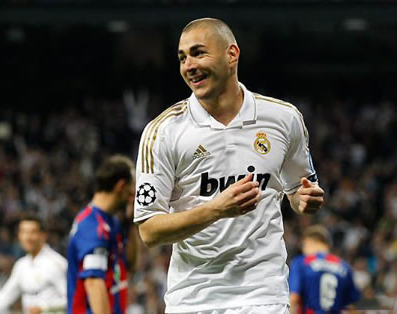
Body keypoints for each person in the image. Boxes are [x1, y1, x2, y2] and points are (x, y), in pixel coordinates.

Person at [133, 17, 325, 314]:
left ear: (231, 54)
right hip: (193, 298)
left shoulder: (284, 119)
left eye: (198, 53)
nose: (188, 65)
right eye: (182, 57)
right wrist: (215, 209)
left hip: (264, 294)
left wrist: (304, 201)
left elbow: (297, 191)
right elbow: (149, 231)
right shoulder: (163, 132)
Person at [67, 155, 138, 314]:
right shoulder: (91, 226)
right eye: (132, 186)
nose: (134, 193)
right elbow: (93, 282)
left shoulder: (111, 222)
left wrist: (131, 221)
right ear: (121, 186)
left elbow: (129, 264)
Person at [0, 216, 67, 314]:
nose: (27, 237)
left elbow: (73, 298)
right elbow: (5, 296)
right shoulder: (22, 265)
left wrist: (44, 308)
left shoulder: (57, 264)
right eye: (24, 232)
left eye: (32, 232)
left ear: (43, 235)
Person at [288, 225, 360, 313]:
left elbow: (294, 298)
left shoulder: (301, 263)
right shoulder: (345, 267)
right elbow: (351, 305)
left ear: (309, 242)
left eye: (304, 245)